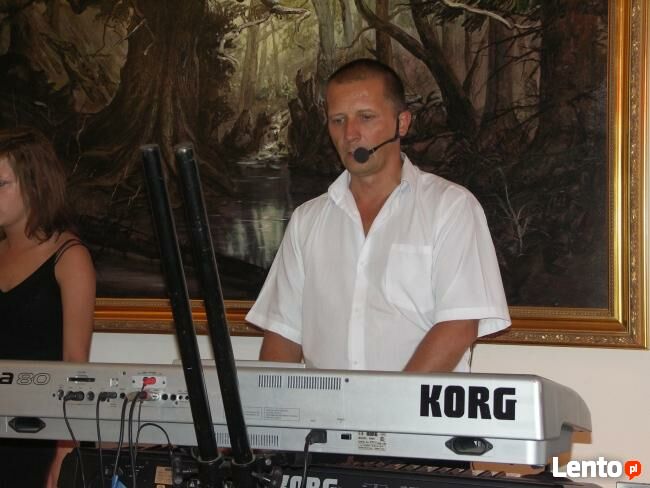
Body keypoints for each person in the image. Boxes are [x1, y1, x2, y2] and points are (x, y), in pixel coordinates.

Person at [246, 59, 511, 373]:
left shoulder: (450, 207)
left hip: (415, 407)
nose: (350, 134)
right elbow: (283, 334)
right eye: (338, 120)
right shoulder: (307, 220)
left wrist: (387, 401)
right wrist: (271, 402)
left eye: (366, 117)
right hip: (327, 407)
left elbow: (458, 326)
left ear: (402, 123)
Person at [0, 126, 96, 487]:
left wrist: (64, 450)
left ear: (34, 185)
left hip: (38, 435)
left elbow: (75, 363)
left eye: (0, 184)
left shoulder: (69, 257)